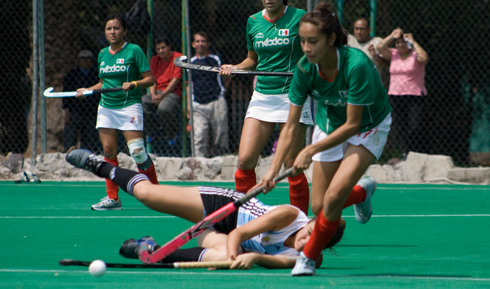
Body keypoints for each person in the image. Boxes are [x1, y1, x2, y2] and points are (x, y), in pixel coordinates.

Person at [259, 3, 392, 276]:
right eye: (303, 41)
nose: (306, 48)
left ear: (331, 40)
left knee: (332, 199)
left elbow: (353, 124)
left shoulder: (356, 65)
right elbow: (290, 126)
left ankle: (307, 259)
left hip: (368, 126)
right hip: (330, 126)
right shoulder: (304, 69)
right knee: (320, 206)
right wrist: (272, 170)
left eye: (313, 42)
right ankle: (361, 192)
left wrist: (310, 150)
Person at [66, 148, 348, 269]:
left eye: (313, 242)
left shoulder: (310, 258)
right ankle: (99, 165)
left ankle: (152, 250)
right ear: (310, 222)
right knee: (148, 195)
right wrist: (239, 254)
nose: (305, 241)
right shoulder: (289, 216)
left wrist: (249, 259)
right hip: (225, 208)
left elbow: (271, 261)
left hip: (221, 238)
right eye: (309, 232)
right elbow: (239, 235)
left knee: (224, 257)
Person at [219, 0, 313, 215]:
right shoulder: (253, 21)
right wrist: (235, 68)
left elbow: (313, 50)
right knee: (244, 161)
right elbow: (252, 59)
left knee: (292, 166)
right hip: (262, 96)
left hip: (293, 97)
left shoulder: (300, 17)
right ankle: (249, 219)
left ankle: (299, 224)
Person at [77, 14, 158, 211]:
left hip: (129, 104)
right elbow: (103, 83)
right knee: (108, 151)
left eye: (116, 28)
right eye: (108, 29)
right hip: (107, 107)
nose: (112, 32)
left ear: (124, 31)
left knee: (138, 152)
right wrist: (87, 90)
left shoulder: (134, 50)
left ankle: (157, 194)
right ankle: (113, 199)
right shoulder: (103, 53)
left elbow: (150, 79)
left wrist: (134, 83)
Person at [377, 28, 429, 161]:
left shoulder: (415, 54)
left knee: (415, 126)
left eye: (403, 43)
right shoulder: (393, 54)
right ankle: (405, 153)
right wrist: (391, 36)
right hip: (396, 94)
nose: (400, 45)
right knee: (401, 126)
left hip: (414, 95)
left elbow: (424, 57)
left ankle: (417, 152)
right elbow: (379, 47)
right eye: (398, 43)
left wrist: (413, 41)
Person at [188, 31, 229, 157]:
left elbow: (228, 76)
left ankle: (220, 159)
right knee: (199, 136)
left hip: (217, 101)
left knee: (221, 133)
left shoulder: (216, 58)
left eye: (203, 41)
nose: (200, 44)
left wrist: (222, 91)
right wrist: (189, 105)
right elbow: (188, 84)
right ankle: (199, 164)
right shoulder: (190, 62)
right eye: (198, 41)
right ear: (193, 44)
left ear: (208, 44)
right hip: (198, 105)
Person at [142, 38, 183, 144]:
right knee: (140, 104)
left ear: (169, 47)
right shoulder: (155, 59)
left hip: (172, 92)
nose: (161, 51)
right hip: (157, 91)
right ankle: (155, 131)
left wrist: (163, 95)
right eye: (158, 49)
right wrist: (152, 94)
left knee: (163, 108)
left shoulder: (178, 57)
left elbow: (176, 79)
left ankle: (172, 133)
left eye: (163, 48)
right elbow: (152, 79)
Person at [62, 50, 100, 152]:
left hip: (91, 113)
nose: (85, 61)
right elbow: (66, 95)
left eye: (88, 58)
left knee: (89, 142)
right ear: (78, 61)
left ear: (92, 61)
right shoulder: (72, 75)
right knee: (70, 141)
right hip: (75, 113)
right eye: (83, 58)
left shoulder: (96, 76)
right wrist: (67, 112)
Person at [347, 17, 389, 88]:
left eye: (361, 29)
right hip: (354, 85)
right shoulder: (350, 41)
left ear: (369, 30)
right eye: (356, 29)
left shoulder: (377, 42)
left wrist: (375, 55)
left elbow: (387, 64)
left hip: (372, 85)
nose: (359, 32)